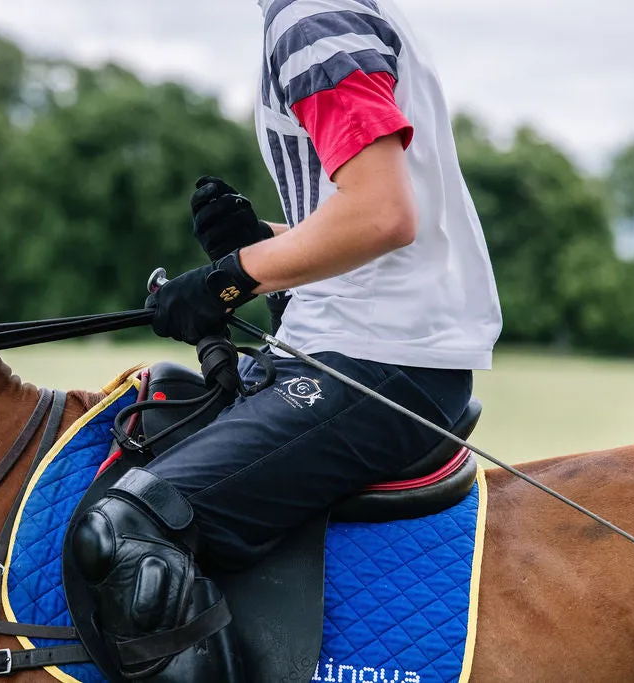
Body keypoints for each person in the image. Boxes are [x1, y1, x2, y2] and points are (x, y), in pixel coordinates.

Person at [70, 0, 503, 680]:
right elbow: (370, 217)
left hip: (378, 358)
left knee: (129, 528)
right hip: (374, 346)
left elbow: (383, 213)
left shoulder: (313, 18)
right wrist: (259, 246)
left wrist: (227, 281)